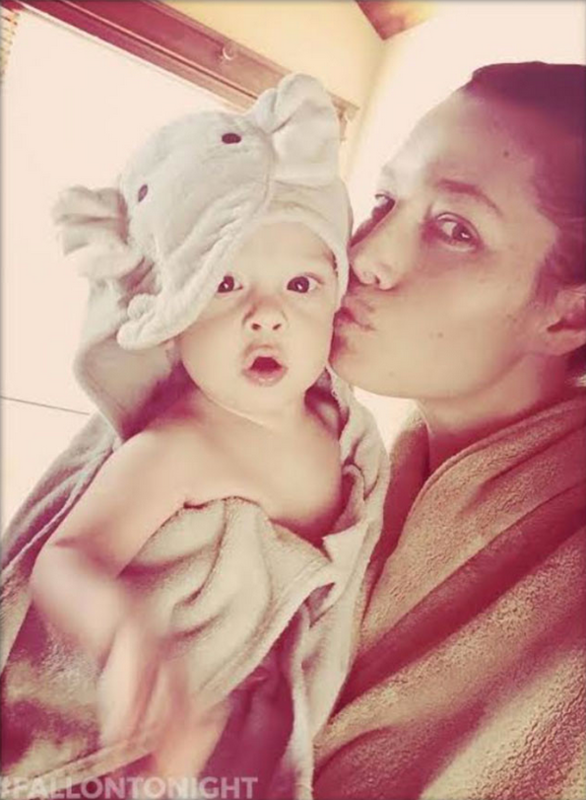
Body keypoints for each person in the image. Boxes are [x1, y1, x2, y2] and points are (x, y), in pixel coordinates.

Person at [0, 74, 388, 800]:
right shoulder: (180, 445)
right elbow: (68, 558)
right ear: (173, 324)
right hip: (156, 727)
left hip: (254, 723)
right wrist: (125, 638)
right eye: (225, 285)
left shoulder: (343, 427)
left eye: (301, 285)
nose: (267, 314)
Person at [313, 61, 586, 799]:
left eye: (454, 229)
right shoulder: (339, 471)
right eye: (384, 199)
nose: (365, 255)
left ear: (569, 315)